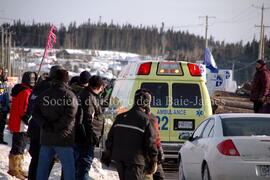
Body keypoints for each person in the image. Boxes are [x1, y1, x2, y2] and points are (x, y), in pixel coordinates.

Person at [103, 89, 158, 180]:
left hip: (119, 158)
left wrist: (107, 152)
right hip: (136, 160)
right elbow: (151, 142)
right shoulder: (146, 120)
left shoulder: (120, 117)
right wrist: (154, 160)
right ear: (146, 104)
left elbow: (110, 137)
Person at [33, 69, 78, 180]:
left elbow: (35, 113)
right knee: (69, 168)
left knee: (42, 167)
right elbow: (70, 115)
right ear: (66, 80)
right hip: (63, 138)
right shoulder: (70, 95)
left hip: (46, 137)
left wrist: (45, 125)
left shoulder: (44, 94)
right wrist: (56, 126)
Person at [27, 65, 65, 180]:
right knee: (46, 161)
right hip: (45, 129)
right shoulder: (52, 88)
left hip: (34, 127)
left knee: (35, 159)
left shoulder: (38, 85)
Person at [74, 75, 105, 180]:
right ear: (99, 87)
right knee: (84, 165)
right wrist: (90, 137)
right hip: (85, 138)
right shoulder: (88, 97)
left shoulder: (83, 94)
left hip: (80, 136)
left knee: (79, 165)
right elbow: (87, 120)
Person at [7, 71, 36, 180]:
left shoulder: (20, 89)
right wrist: (29, 120)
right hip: (21, 124)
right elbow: (23, 110)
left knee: (18, 146)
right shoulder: (26, 92)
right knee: (19, 147)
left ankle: (17, 168)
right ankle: (15, 169)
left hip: (16, 122)